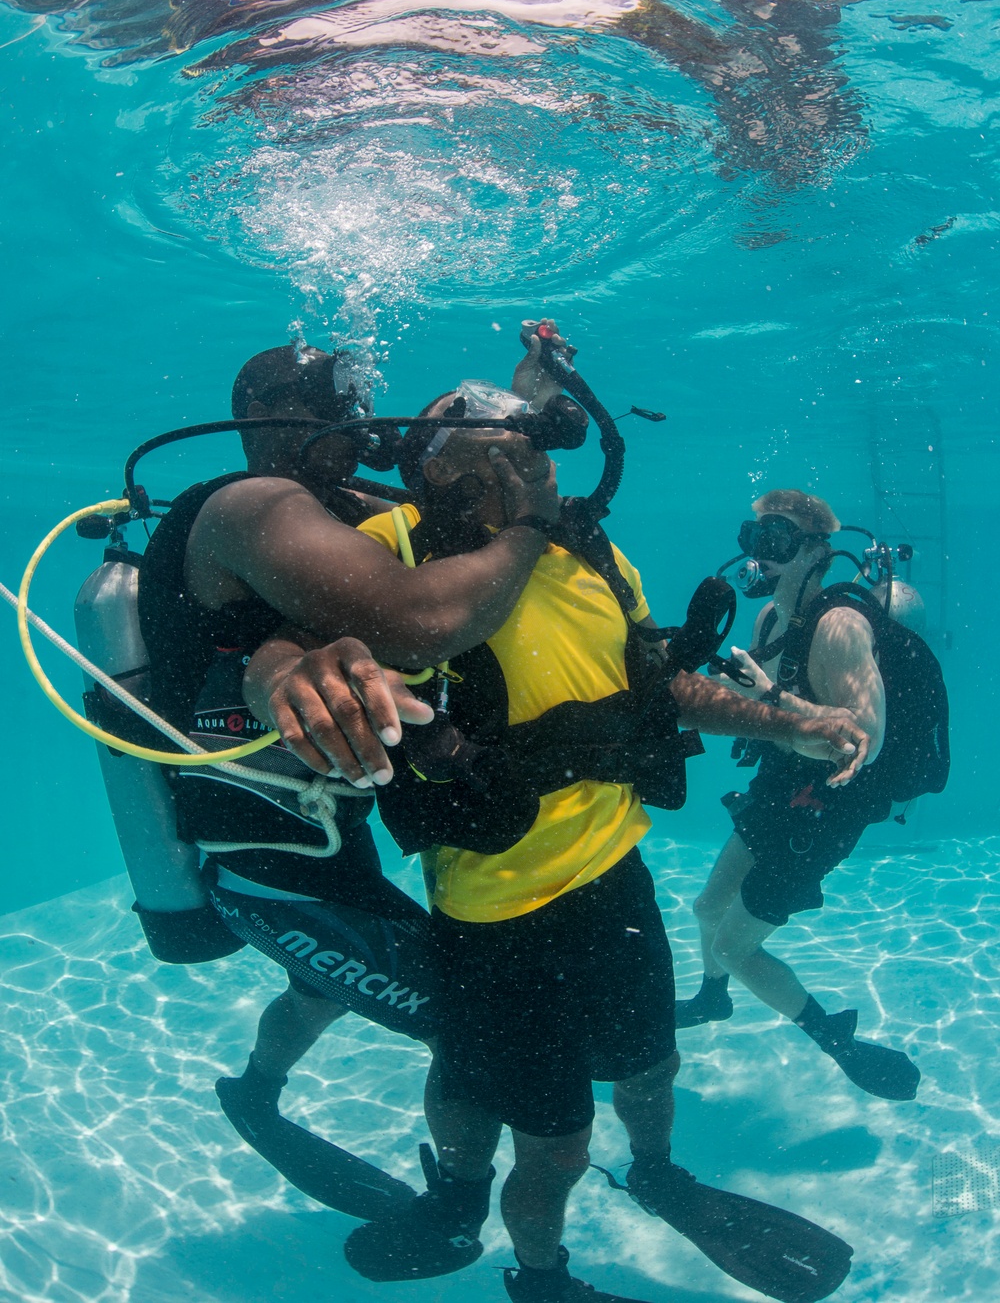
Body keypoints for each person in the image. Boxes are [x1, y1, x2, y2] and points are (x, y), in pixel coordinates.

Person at [253, 402, 867, 1302]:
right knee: (551, 1142)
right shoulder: (392, 543)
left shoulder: (590, 552)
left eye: (528, 443)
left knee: (654, 1068)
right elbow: (288, 629)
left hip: (616, 878)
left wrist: (792, 725)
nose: (519, 460)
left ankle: (658, 1173)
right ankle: (535, 1270)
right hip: (494, 916)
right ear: (433, 454)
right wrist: (278, 674)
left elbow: (657, 682)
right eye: (489, 440)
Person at [135, 337, 565, 1184]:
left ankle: (255, 1090)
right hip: (268, 861)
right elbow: (418, 620)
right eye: (342, 407)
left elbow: (443, 504)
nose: (364, 428)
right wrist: (531, 528)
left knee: (321, 985)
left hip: (326, 823)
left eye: (364, 403)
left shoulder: (327, 504)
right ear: (270, 420)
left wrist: (519, 416)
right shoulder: (252, 504)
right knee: (466, 1017)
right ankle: (457, 1199)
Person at [675, 489, 922, 1102]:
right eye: (752, 538)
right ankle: (712, 999)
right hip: (781, 781)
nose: (760, 555)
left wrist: (775, 700)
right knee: (709, 909)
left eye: (777, 541)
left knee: (735, 946)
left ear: (816, 553)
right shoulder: (767, 620)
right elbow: (754, 701)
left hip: (830, 805)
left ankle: (835, 1038)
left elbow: (867, 739)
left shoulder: (840, 625)